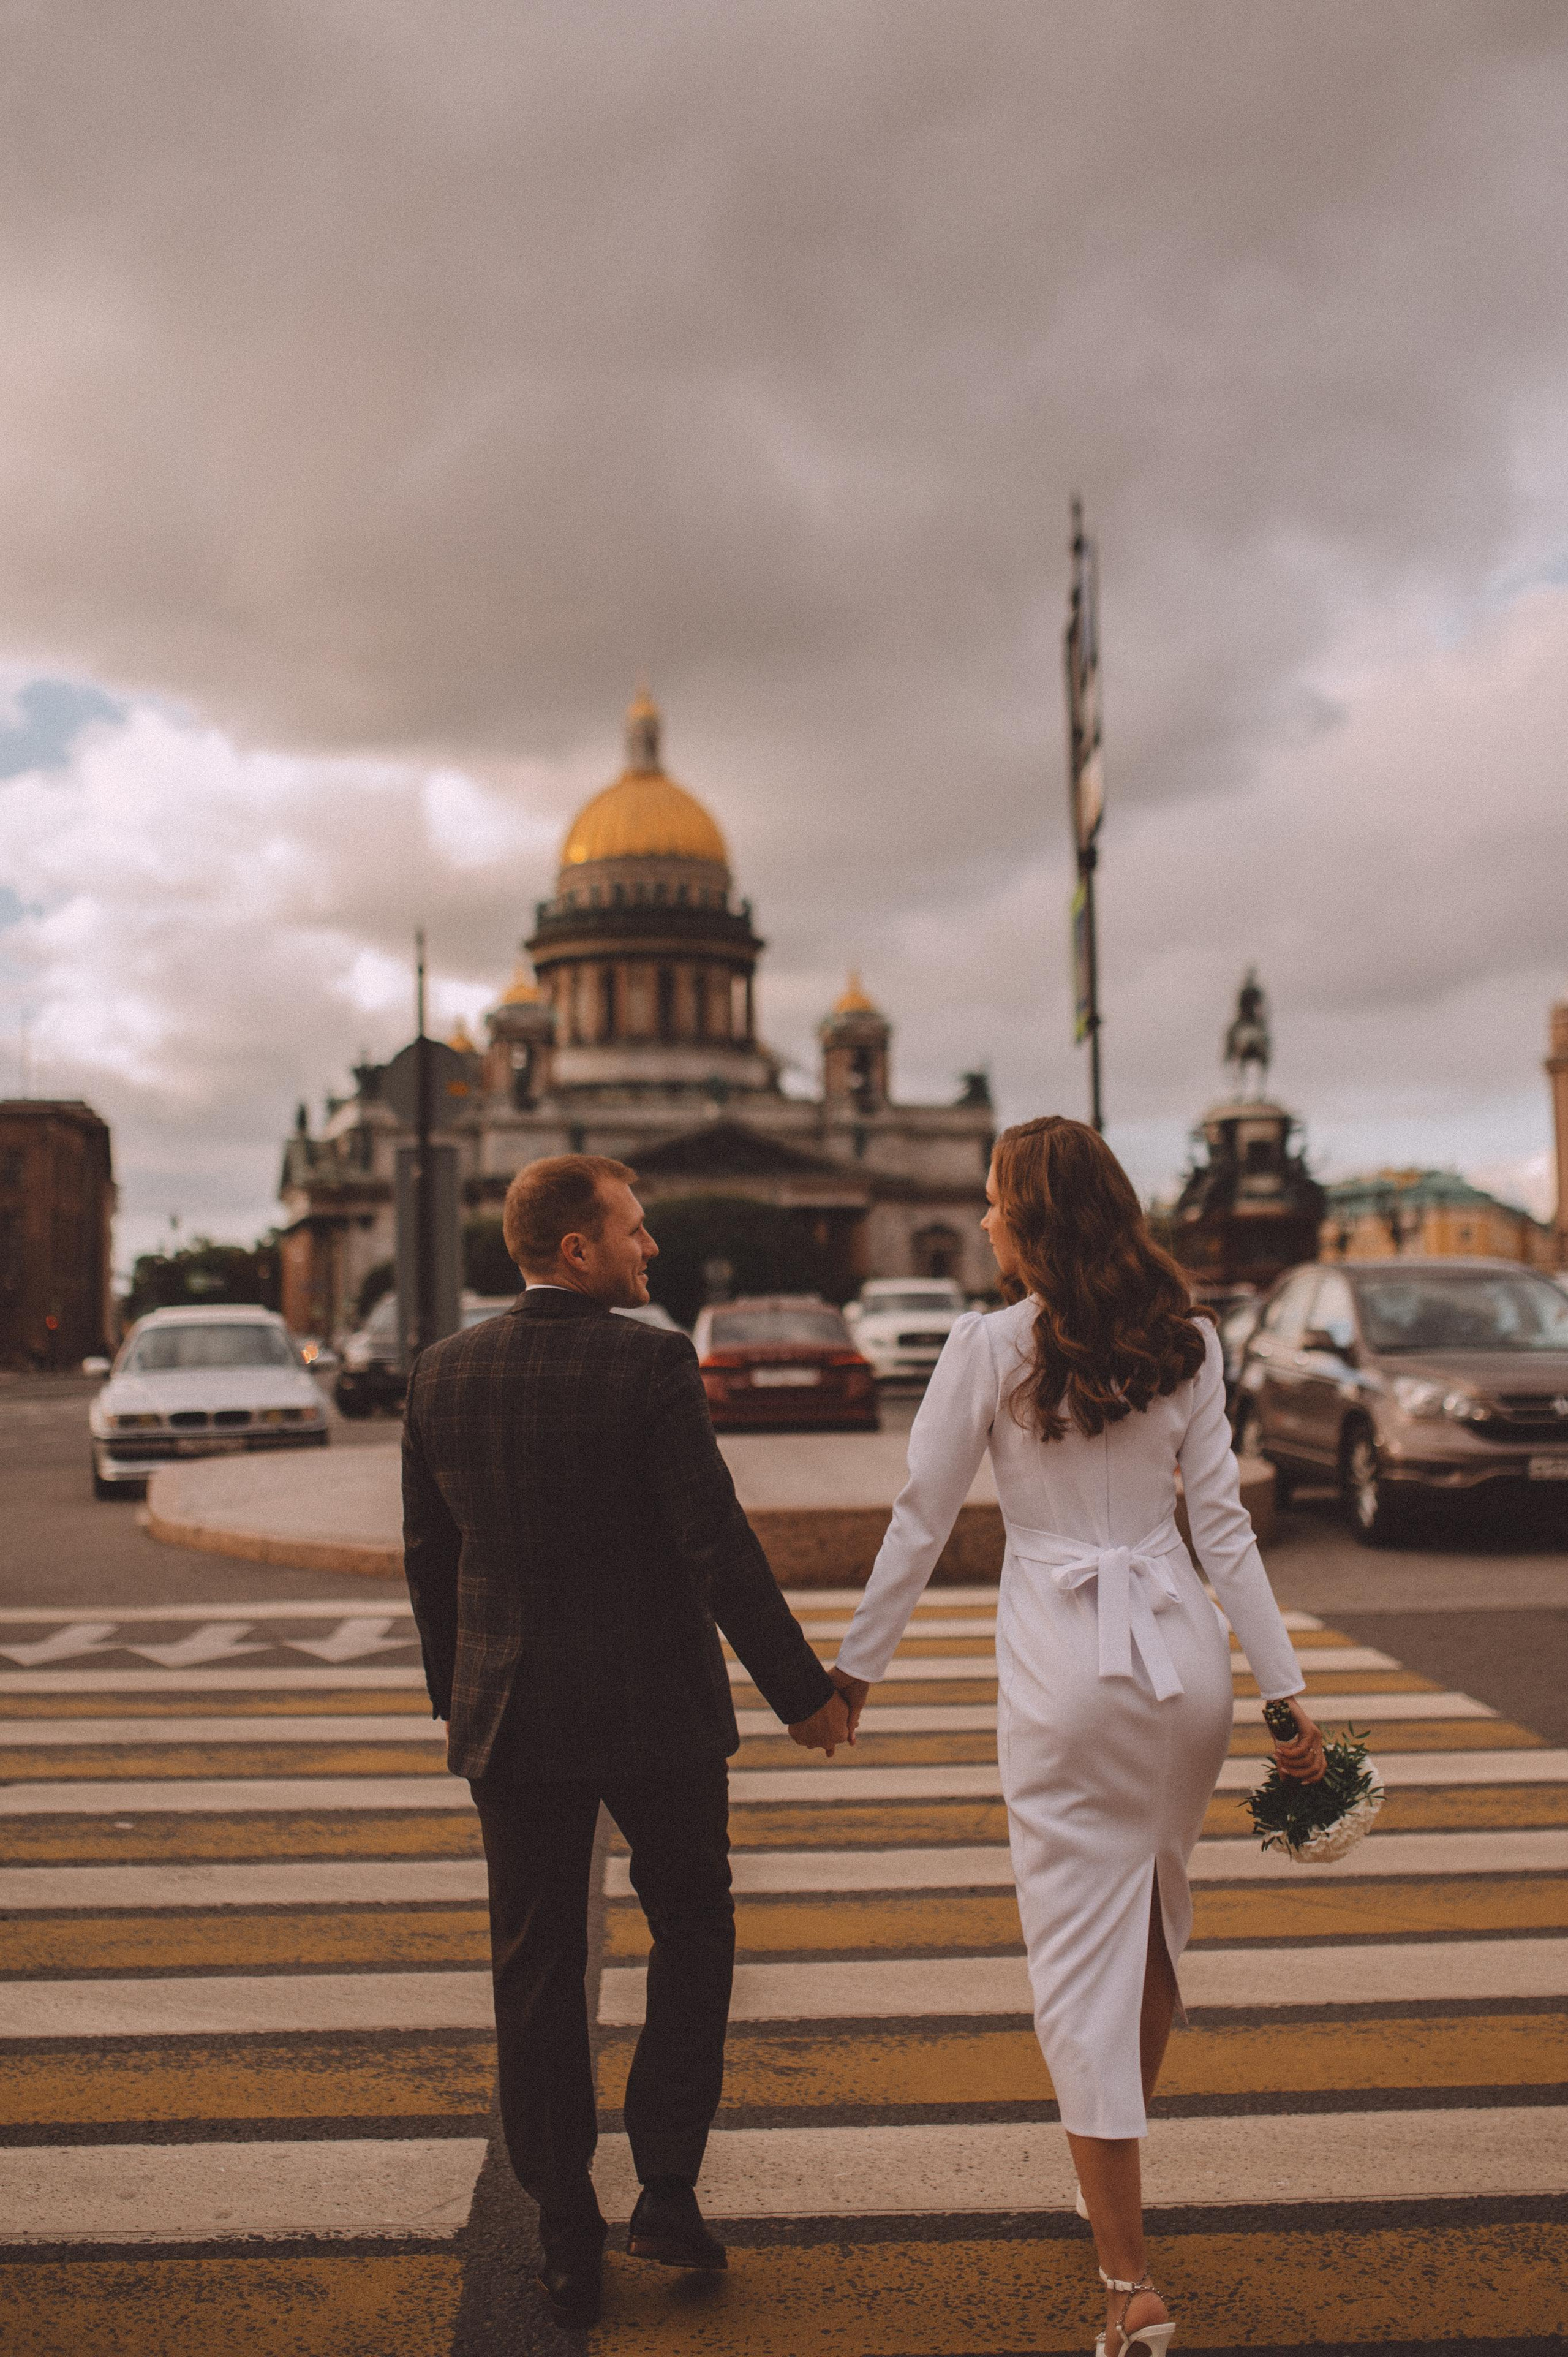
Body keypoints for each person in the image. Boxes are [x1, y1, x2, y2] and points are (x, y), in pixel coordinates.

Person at [829, 1118, 1324, 2357]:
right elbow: (1222, 1530)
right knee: (1153, 1919)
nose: (985, 1219)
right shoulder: (1187, 1342)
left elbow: (919, 1520)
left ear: (1034, 1217)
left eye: (996, 1200)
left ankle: (1127, 2285)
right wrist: (1284, 1692)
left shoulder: (988, 1347)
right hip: (1182, 1667)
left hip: (1066, 1673)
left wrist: (853, 1672)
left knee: (1071, 1969)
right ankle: (1110, 2176)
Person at [401, 1153, 848, 2328]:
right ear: (576, 1250)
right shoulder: (650, 1362)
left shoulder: (441, 1374)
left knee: (537, 1974)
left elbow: (429, 1561)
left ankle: (563, 2231)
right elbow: (716, 1543)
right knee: (695, 1929)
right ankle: (667, 2187)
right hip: (658, 1712)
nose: (651, 1249)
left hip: (515, 1719)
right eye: (634, 1232)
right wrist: (802, 1691)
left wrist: (463, 1697)